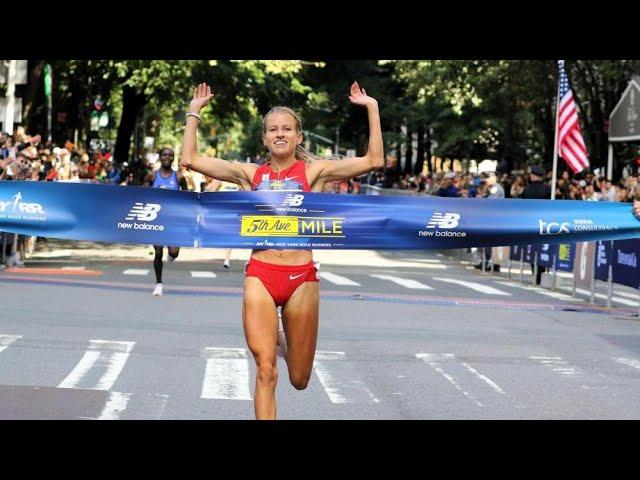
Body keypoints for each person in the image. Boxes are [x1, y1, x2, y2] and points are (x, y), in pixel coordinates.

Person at [181, 81, 384, 419]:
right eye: (273, 129)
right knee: (265, 368)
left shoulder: (314, 172)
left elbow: (374, 160)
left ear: (298, 137)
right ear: (264, 138)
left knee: (300, 378)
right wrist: (194, 111)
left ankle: (279, 333)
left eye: (287, 129)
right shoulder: (250, 175)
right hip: (260, 274)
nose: (279, 134)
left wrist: (372, 108)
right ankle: (268, 337)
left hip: (301, 277)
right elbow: (190, 159)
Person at [143, 147, 188, 296]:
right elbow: (142, 195)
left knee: (174, 252)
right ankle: (158, 283)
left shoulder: (179, 177)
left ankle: (172, 256)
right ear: (160, 157)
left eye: (170, 155)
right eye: (164, 155)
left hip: (173, 219)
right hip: (156, 219)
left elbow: (187, 198)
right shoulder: (152, 176)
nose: (167, 157)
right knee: (158, 252)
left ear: (173, 158)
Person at [521, 165, 552, 284]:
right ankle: (541, 272)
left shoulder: (527, 190)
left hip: (530, 223)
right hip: (544, 223)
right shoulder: (548, 189)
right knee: (543, 249)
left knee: (532, 249)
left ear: (532, 176)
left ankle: (534, 272)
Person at [205, 177, 238, 269]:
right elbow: (211, 193)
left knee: (230, 234)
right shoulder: (220, 180)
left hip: (232, 211)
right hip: (221, 211)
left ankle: (227, 259)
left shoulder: (236, 181)